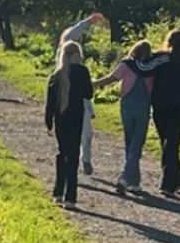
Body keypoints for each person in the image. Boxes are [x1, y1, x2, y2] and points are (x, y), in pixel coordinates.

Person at [94, 39, 155, 196]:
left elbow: (111, 78)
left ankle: (131, 180)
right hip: (143, 106)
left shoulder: (127, 65)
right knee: (137, 143)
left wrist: (93, 83)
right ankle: (129, 179)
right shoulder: (152, 68)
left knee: (129, 141)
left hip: (127, 105)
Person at [142, 27, 180, 196]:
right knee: (172, 143)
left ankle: (168, 183)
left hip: (161, 106)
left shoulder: (162, 58)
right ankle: (175, 178)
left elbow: (144, 68)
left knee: (166, 142)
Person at [44, 40, 93, 209]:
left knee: (62, 153)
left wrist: (48, 122)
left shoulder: (56, 75)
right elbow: (89, 94)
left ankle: (58, 192)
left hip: (60, 118)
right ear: (75, 55)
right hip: (76, 117)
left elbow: (50, 102)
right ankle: (70, 196)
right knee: (73, 156)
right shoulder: (82, 72)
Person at [56, 12, 105, 172]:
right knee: (72, 133)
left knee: (88, 133)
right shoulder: (63, 53)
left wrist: (90, 109)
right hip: (66, 97)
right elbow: (70, 35)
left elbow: (86, 90)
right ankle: (72, 162)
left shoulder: (80, 63)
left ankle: (85, 159)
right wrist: (87, 22)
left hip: (81, 100)